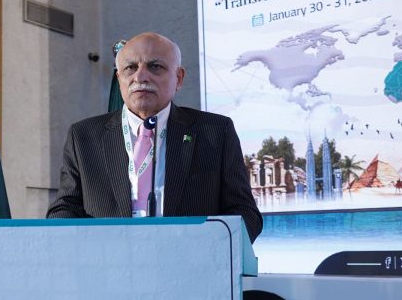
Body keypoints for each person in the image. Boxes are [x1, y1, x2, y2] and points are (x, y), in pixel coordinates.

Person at [46, 32, 262, 242]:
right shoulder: (83, 137)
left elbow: (244, 212)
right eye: (130, 68)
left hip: (188, 261)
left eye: (155, 66)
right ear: (119, 79)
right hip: (108, 261)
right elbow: (64, 209)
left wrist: (208, 251)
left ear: (179, 78)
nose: (140, 77)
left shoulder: (215, 132)